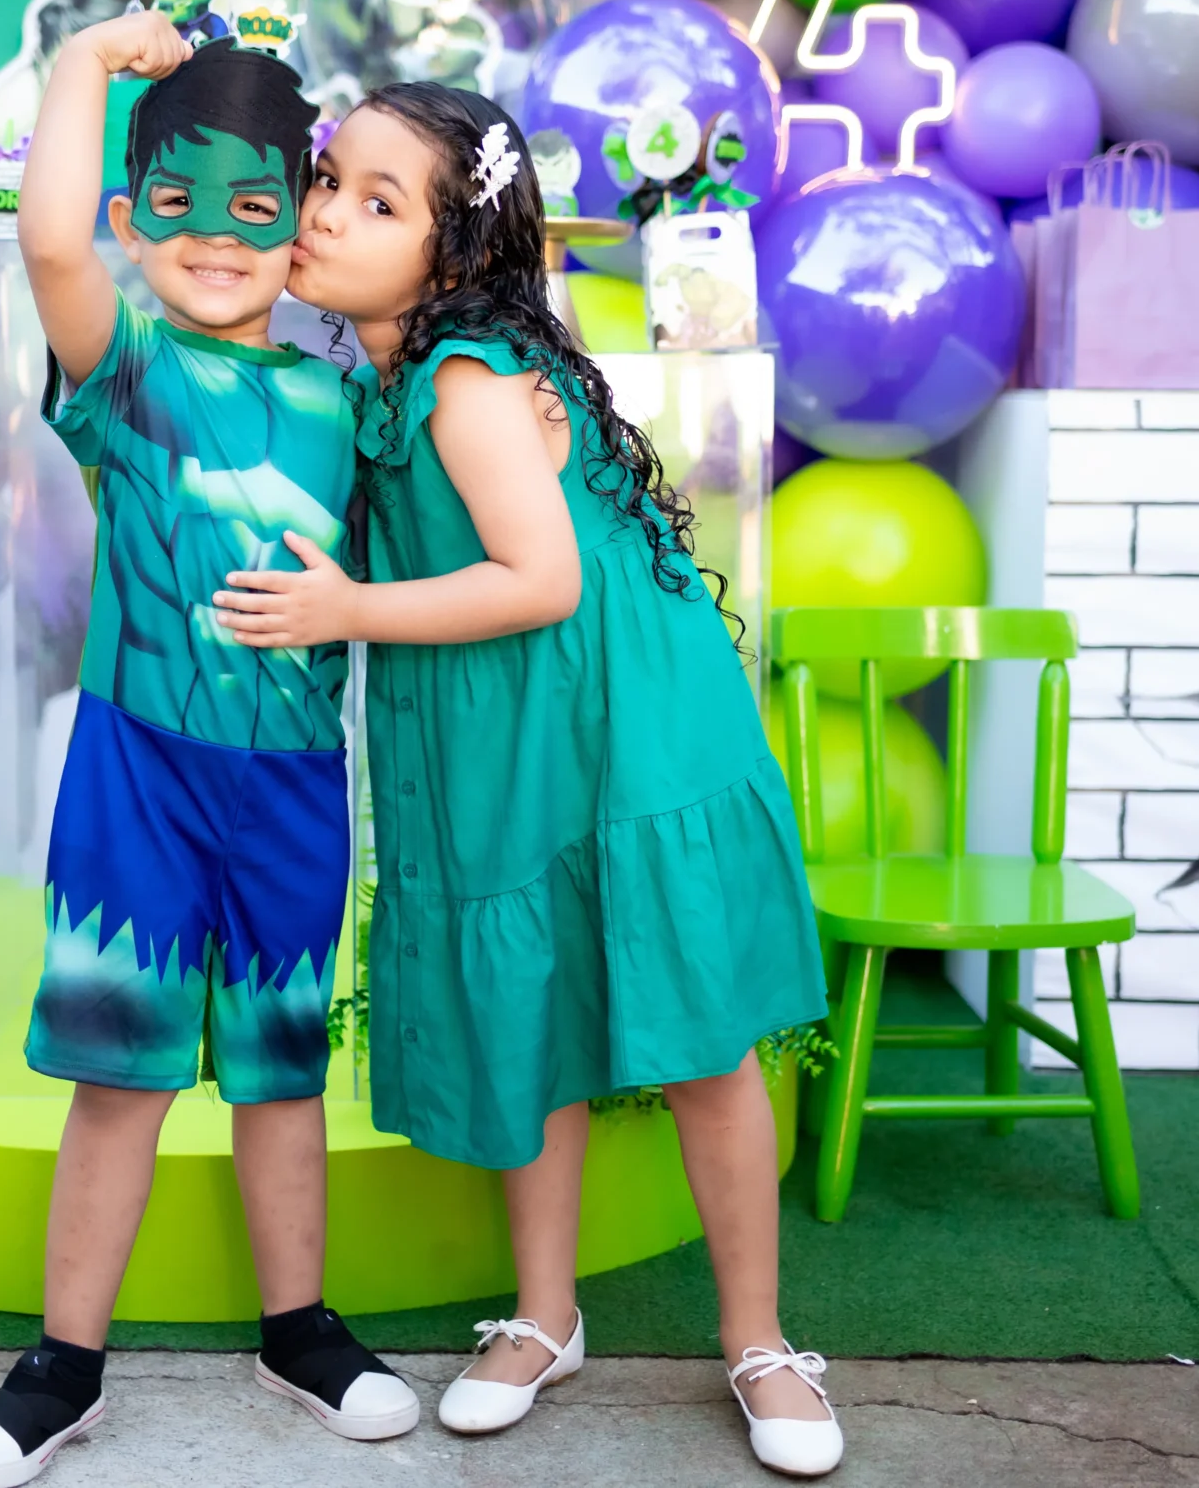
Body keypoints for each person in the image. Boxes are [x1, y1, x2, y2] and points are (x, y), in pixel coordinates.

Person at [212, 82, 842, 1477]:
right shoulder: (380, 377)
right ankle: (546, 1319)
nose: (325, 212)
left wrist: (346, 612)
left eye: (379, 201)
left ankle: (759, 1340)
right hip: (500, 727)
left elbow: (543, 578)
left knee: (701, 1043)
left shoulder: (468, 380)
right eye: (329, 178)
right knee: (530, 1006)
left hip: (622, 729)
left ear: (453, 255)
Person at [0, 13, 417, 1488]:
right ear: (136, 218)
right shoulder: (127, 371)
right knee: (119, 1078)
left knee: (281, 1073)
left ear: (296, 222)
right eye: (180, 205)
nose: (217, 236)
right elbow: (50, 246)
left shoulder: (352, 399)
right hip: (138, 776)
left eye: (256, 205)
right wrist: (84, 68)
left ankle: (299, 1331)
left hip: (295, 788)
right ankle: (62, 1364)